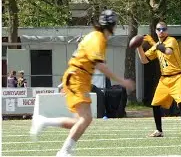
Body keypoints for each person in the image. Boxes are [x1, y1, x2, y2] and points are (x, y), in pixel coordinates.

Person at [30, 9, 135, 156]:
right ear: (112, 25)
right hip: (77, 78)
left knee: (79, 121)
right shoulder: (98, 38)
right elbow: (100, 65)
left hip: (79, 78)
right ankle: (64, 151)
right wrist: (122, 81)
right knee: (86, 119)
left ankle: (44, 122)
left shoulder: (95, 36)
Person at [136, 21, 181, 138]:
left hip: (178, 76)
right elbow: (144, 60)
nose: (161, 31)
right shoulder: (156, 46)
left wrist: (152, 43)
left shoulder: (171, 40)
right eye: (159, 29)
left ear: (167, 31)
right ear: (156, 31)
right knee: (155, 104)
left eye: (164, 29)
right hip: (164, 79)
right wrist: (138, 46)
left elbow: (168, 51)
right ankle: (159, 130)